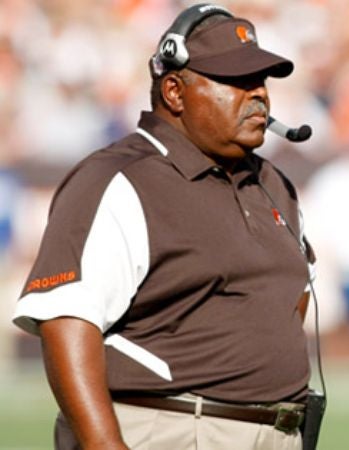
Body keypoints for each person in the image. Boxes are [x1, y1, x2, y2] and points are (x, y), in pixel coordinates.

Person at [11, 4, 317, 450]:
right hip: (174, 430)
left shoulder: (272, 182)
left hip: (274, 433)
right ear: (174, 91)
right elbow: (67, 321)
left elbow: (290, 302)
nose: (259, 95)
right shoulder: (117, 179)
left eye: (261, 80)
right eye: (235, 81)